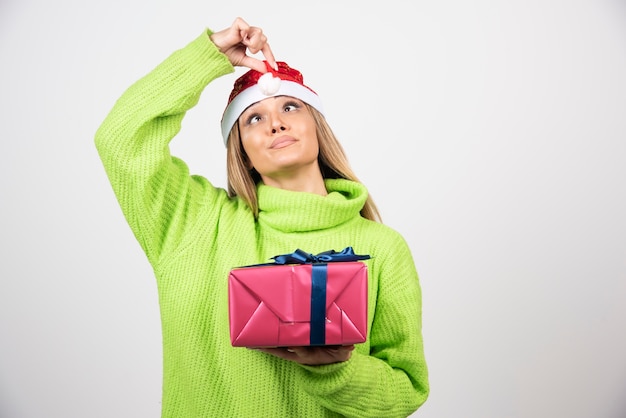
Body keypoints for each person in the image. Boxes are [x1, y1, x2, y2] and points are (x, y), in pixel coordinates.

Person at [95, 16, 429, 417]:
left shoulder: (382, 248)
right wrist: (209, 56)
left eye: (291, 106)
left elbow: (405, 392)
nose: (276, 122)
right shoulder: (192, 222)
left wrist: (335, 368)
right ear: (241, 149)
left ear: (317, 127)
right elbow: (120, 138)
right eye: (254, 117)